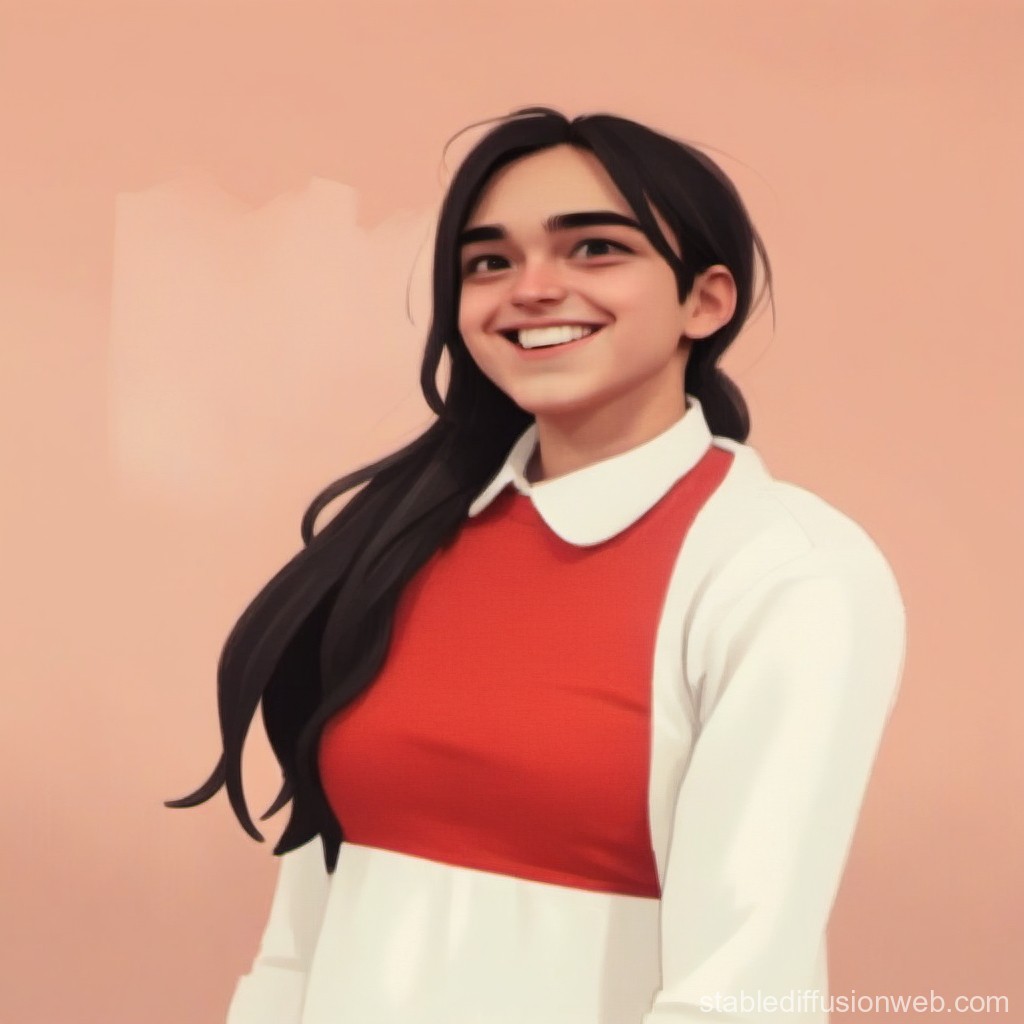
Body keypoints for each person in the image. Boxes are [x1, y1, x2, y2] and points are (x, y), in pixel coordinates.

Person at [168, 106, 907, 1024]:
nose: (530, 288)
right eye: (490, 262)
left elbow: (739, 989)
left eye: (594, 249)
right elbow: (301, 936)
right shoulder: (393, 544)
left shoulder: (788, 573)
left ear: (705, 301)